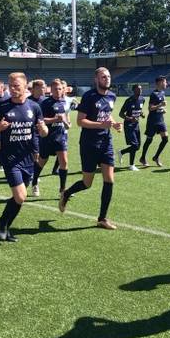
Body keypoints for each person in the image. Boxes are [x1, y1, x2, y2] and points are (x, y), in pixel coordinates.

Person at [59, 67, 123, 230]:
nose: (107, 79)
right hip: (89, 144)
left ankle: (102, 218)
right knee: (87, 183)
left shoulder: (112, 96)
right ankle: (66, 193)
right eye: (103, 77)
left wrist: (114, 124)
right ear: (96, 79)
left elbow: (107, 114)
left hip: (106, 142)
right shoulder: (89, 97)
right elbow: (81, 121)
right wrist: (102, 124)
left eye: (108, 76)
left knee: (109, 179)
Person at [0, 72, 48, 242]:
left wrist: (43, 130)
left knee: (18, 198)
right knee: (20, 196)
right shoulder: (2, 105)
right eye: (10, 86)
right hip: (10, 158)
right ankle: (3, 223)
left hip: (28, 158)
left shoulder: (34, 107)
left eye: (16, 86)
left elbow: (43, 131)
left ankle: (5, 224)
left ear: (25, 86)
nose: (13, 89)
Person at [32, 79, 70, 195]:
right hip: (47, 137)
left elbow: (63, 118)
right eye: (55, 89)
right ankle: (34, 183)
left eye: (59, 89)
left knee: (64, 162)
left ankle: (62, 189)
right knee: (42, 161)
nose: (58, 91)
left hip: (60, 137)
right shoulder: (46, 103)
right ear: (51, 90)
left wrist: (66, 123)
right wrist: (55, 119)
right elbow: (40, 120)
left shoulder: (63, 102)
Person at [139, 76, 169, 167]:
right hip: (152, 121)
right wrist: (161, 105)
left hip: (160, 120)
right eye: (165, 82)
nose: (166, 84)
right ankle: (142, 158)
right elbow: (150, 108)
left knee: (165, 139)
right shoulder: (154, 94)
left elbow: (158, 107)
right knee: (149, 140)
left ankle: (156, 157)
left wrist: (162, 109)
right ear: (160, 83)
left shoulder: (162, 93)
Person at [117, 84, 145, 171]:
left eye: (141, 89)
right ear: (133, 90)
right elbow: (121, 113)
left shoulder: (142, 99)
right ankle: (131, 165)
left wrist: (141, 114)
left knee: (137, 147)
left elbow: (139, 110)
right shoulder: (129, 101)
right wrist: (129, 118)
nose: (140, 91)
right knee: (134, 145)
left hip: (136, 125)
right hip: (128, 125)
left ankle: (121, 152)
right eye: (138, 89)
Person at [28, 79, 47, 195]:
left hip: (44, 133)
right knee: (35, 156)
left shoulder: (45, 101)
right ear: (35, 89)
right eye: (42, 87)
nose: (44, 89)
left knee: (39, 157)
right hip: (30, 133)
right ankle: (34, 180)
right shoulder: (27, 101)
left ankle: (34, 176)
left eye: (45, 87)